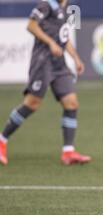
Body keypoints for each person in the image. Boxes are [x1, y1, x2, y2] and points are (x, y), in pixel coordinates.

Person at [0, 0, 90, 166]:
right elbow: (31, 26)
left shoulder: (65, 7)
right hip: (43, 62)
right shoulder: (46, 5)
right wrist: (50, 42)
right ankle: (2, 140)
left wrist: (76, 58)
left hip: (59, 63)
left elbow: (64, 37)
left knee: (71, 103)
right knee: (32, 104)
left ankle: (68, 152)